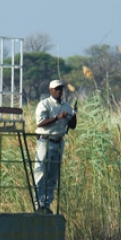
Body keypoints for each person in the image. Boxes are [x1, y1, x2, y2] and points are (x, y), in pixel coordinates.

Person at [34, 80, 77, 214]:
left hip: (59, 141)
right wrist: (58, 117)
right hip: (45, 141)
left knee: (53, 176)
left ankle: (46, 204)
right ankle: (38, 204)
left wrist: (74, 115)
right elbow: (40, 123)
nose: (59, 91)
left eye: (61, 89)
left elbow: (72, 126)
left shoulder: (66, 106)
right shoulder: (44, 104)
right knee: (41, 173)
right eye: (56, 89)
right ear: (50, 90)